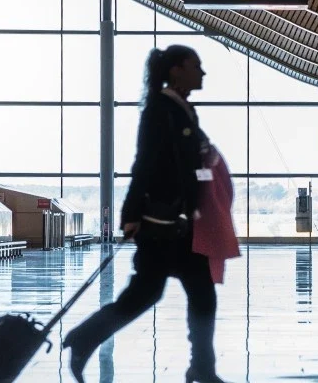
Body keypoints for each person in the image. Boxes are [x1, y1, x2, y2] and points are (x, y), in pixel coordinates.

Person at [62, 45, 226, 383]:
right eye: (197, 65)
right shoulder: (160, 109)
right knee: (147, 295)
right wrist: (130, 213)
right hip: (159, 226)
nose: (203, 72)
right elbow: (145, 162)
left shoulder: (181, 109)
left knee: (200, 292)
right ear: (177, 69)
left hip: (180, 226)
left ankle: (202, 367)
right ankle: (84, 338)